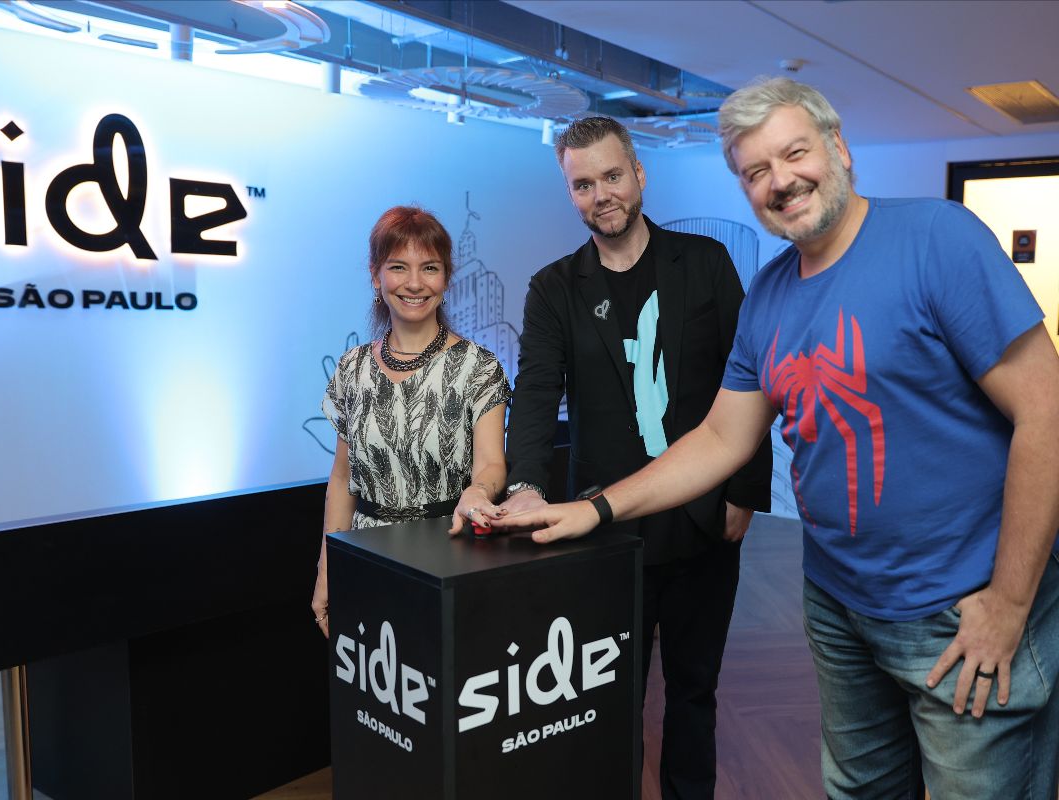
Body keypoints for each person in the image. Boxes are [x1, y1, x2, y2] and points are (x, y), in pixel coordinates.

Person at [492, 78, 1059, 800]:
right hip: (838, 605)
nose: (780, 181)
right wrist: (590, 508)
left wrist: (1010, 603)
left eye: (794, 154)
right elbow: (723, 434)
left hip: (957, 610)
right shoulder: (770, 295)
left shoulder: (937, 237)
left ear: (839, 147)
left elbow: (1047, 413)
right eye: (755, 171)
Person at [496, 116, 772, 799]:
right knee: (608, 698)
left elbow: (752, 378)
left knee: (694, 692)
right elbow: (534, 394)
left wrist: (744, 491)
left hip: (705, 520)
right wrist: (526, 484)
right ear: (571, 193)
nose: (601, 194)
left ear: (639, 175)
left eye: (612, 176)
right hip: (603, 533)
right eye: (583, 184)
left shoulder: (705, 264)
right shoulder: (554, 289)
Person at [311, 205, 511, 638]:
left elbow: (493, 465)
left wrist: (479, 490)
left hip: (449, 558)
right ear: (375, 275)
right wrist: (328, 568)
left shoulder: (479, 368)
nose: (415, 283)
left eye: (430, 268)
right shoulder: (352, 368)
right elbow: (343, 479)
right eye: (398, 267)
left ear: (446, 277)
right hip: (366, 559)